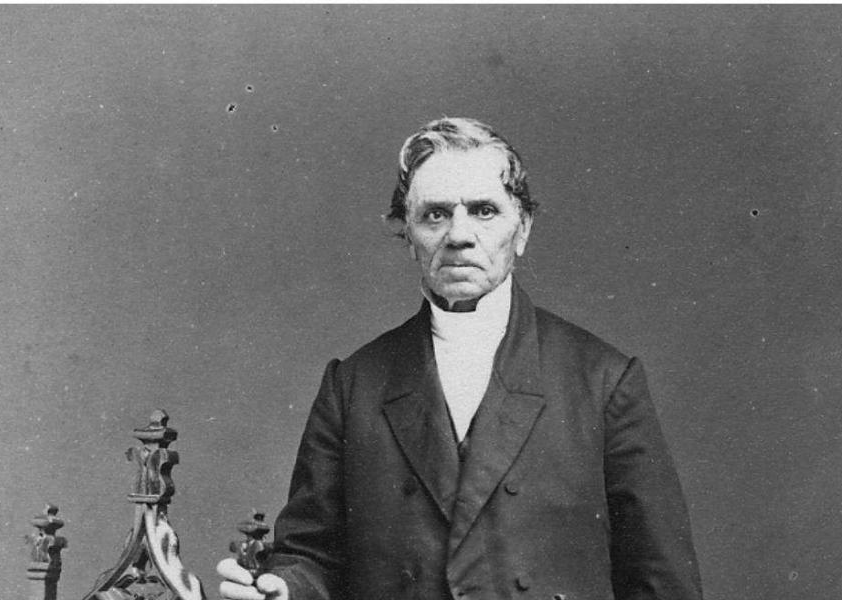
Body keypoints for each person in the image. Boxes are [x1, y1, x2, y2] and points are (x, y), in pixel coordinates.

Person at [218, 117, 703, 600]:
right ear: (405, 234)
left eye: (484, 211)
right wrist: (285, 588)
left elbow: (661, 583)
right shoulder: (353, 386)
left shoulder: (602, 381)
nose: (459, 235)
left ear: (522, 229)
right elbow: (312, 554)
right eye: (435, 214)